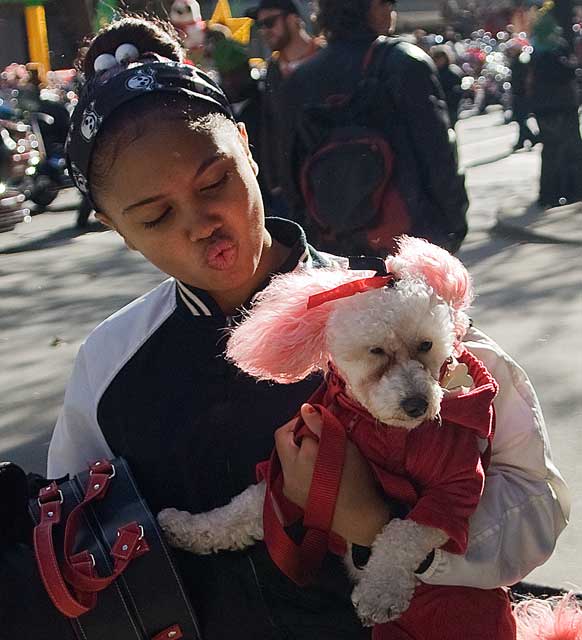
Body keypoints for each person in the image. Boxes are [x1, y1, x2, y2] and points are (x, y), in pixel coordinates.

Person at [47, 14, 569, 640]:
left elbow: (535, 501)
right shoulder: (110, 364)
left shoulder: (396, 311)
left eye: (215, 181)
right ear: (113, 226)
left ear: (248, 146)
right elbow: (80, 547)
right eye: (154, 216)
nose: (201, 222)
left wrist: (375, 529)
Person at [278, 0, 470, 255]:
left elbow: (289, 174)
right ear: (366, 7)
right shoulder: (404, 62)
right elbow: (438, 156)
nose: (391, 10)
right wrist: (453, 225)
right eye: (385, 2)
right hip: (411, 241)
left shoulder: (298, 81)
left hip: (335, 248)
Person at [246, 0, 321, 214]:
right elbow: (269, 127)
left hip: (329, 179)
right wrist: (273, 181)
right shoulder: (272, 71)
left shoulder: (326, 57)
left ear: (294, 19)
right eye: (260, 26)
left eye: (270, 22)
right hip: (289, 191)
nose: (265, 31)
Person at [530, 5, 582, 207]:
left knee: (558, 151)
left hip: (554, 108)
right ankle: (559, 193)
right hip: (557, 108)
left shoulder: (541, 52)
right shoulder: (548, 53)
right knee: (561, 151)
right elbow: (564, 74)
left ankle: (563, 191)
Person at [505, 39, 538, 152]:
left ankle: (530, 138)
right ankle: (529, 138)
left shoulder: (522, 60)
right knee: (519, 119)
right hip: (517, 92)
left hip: (522, 93)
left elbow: (525, 76)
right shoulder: (514, 60)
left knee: (521, 118)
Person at [431, 45, 463, 128]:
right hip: (440, 104)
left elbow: (459, 88)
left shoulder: (452, 72)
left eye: (441, 58)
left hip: (451, 105)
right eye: (437, 58)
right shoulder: (434, 73)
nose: (439, 61)